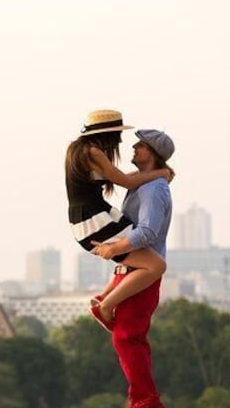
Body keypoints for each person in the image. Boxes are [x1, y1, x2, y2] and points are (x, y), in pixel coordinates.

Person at [91, 128, 175, 408]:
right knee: (127, 339)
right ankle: (140, 405)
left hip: (141, 275)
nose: (134, 148)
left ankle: (149, 407)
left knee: (128, 338)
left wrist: (113, 248)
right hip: (130, 271)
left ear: (151, 152)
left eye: (139, 146)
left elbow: (148, 233)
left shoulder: (154, 189)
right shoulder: (144, 185)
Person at [65, 110, 171, 327]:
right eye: (117, 135)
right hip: (95, 218)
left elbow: (124, 178)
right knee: (156, 266)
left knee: (133, 258)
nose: (121, 141)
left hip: (87, 219)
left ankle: (104, 297)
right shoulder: (94, 153)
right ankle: (105, 306)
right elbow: (127, 182)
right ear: (108, 134)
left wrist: (158, 174)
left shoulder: (79, 151)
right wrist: (161, 174)